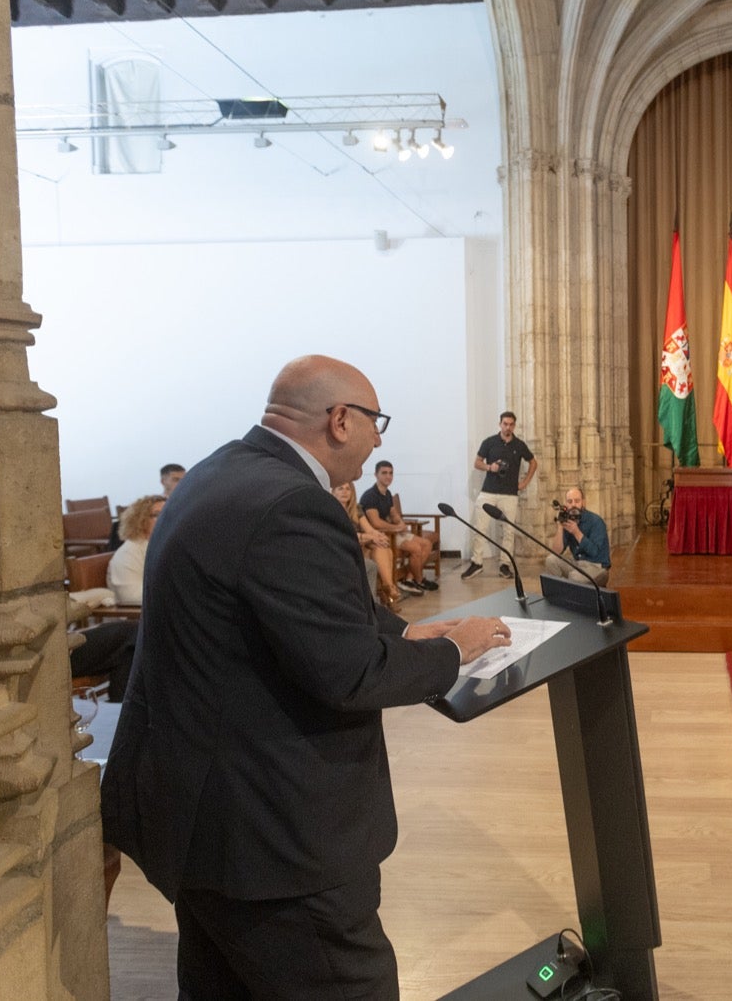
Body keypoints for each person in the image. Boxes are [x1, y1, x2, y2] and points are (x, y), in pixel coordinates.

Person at [98, 354, 506, 1001]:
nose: (379, 440)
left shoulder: (219, 472)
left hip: (199, 812)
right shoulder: (292, 505)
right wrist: (456, 650)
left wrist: (405, 633)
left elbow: (298, 611)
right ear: (341, 420)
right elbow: (348, 673)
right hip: (272, 837)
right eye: (377, 422)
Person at [462, 411, 538, 580]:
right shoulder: (489, 442)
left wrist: (524, 483)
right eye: (505, 424)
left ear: (514, 426)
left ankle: (505, 565)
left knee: (509, 531)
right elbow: (477, 463)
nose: (508, 427)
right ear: (500, 424)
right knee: (479, 527)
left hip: (509, 494)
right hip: (488, 491)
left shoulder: (519, 445)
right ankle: (477, 563)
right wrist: (490, 467)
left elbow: (533, 462)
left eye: (511, 424)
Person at [361, 460, 438, 594]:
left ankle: (409, 579)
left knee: (426, 544)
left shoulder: (387, 493)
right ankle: (419, 580)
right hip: (382, 534)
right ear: (376, 475)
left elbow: (393, 513)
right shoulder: (370, 496)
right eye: (384, 473)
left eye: (391, 473)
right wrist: (396, 528)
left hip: (394, 531)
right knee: (416, 548)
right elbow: (375, 523)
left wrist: (400, 522)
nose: (388, 476)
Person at [336, 479, 401, 607]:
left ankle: (388, 587)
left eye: (348, 489)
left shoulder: (356, 509)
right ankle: (389, 590)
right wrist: (369, 537)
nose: (345, 492)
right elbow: (344, 535)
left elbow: (369, 529)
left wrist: (379, 536)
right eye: (340, 489)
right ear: (333, 492)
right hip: (346, 548)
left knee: (382, 547)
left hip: (361, 546)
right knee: (379, 548)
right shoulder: (331, 509)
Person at [545, 486, 611, 586]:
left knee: (574, 577)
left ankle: (569, 594)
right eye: (570, 501)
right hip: (577, 564)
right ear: (566, 504)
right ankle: (560, 595)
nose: (573, 505)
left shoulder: (596, 521)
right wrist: (560, 527)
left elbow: (594, 552)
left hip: (596, 566)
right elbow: (556, 552)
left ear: (583, 503)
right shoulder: (568, 521)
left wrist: (576, 532)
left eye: (577, 501)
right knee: (550, 560)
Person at [106, 493, 164, 604]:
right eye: (156, 515)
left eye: (167, 514)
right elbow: (130, 596)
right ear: (140, 520)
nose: (164, 519)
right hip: (138, 616)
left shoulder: (164, 546)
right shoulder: (128, 553)